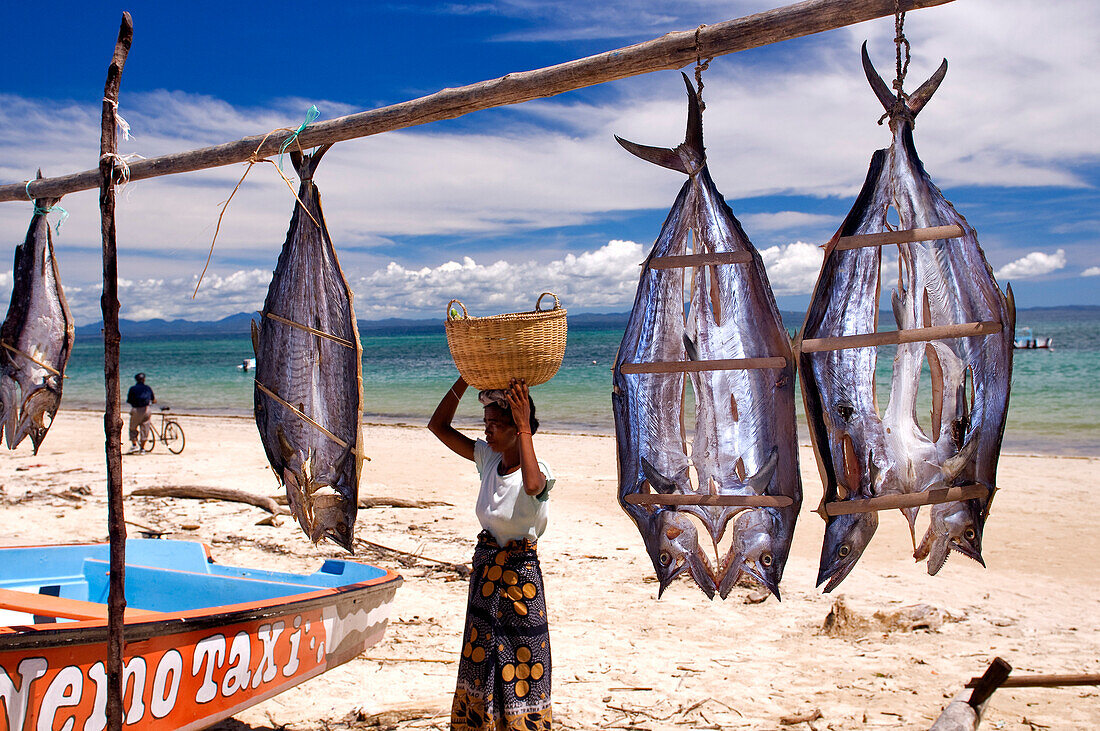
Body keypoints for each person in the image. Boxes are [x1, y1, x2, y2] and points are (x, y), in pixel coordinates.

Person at [428, 377, 554, 729]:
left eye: (495, 426)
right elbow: (437, 426)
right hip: (485, 579)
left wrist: (525, 423)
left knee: (523, 666)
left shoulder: (540, 470)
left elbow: (532, 486)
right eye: (485, 425)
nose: (487, 433)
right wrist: (463, 381)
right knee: (480, 664)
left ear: (517, 428)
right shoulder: (488, 460)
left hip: (520, 584)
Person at [126, 372, 156, 453]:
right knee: (145, 428)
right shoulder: (148, 388)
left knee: (133, 428)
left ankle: (134, 445)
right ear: (144, 379)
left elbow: (129, 400)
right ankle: (142, 448)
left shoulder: (132, 388)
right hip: (146, 409)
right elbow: (153, 399)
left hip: (136, 409)